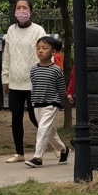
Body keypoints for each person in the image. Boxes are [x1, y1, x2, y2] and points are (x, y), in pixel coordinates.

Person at [1, 0, 46, 162]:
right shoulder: (11, 31)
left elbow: (45, 54)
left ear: (31, 11)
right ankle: (19, 153)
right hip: (15, 82)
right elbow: (7, 55)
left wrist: (43, 76)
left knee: (36, 118)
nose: (21, 11)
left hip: (34, 82)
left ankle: (57, 146)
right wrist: (5, 78)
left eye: (24, 8)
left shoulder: (38, 31)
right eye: (18, 8)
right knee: (16, 118)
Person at [26, 34, 68, 167]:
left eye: (44, 48)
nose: (40, 51)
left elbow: (61, 87)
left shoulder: (56, 70)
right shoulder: (34, 69)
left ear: (53, 52)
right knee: (49, 132)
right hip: (37, 104)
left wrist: (61, 102)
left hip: (52, 104)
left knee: (43, 130)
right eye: (38, 48)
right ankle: (63, 149)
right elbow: (34, 86)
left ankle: (38, 158)